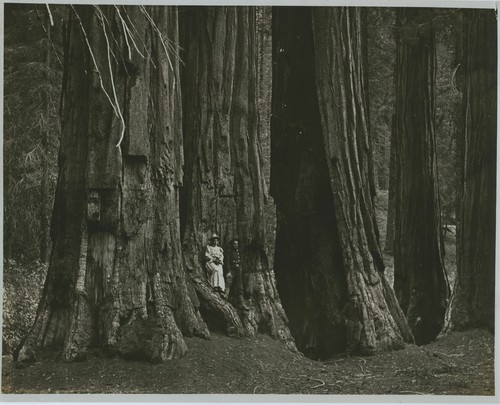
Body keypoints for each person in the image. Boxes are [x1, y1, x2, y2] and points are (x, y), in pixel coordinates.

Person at [225, 239, 248, 309]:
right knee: (228, 283)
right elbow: (227, 262)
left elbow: (241, 260)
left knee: (240, 287)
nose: (236, 245)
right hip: (232, 269)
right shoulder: (229, 252)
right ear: (232, 244)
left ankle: (242, 303)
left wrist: (240, 268)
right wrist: (228, 271)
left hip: (238, 270)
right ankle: (225, 297)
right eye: (234, 244)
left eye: (237, 244)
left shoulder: (239, 252)